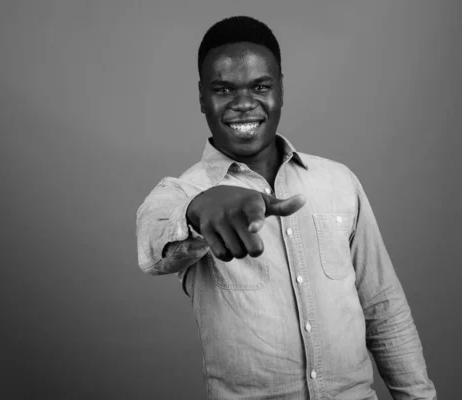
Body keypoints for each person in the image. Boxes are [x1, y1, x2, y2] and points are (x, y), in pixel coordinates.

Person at [135, 15, 436, 400]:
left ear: (280, 90)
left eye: (260, 86)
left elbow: (384, 307)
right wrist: (197, 208)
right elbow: (152, 239)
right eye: (224, 89)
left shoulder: (339, 181)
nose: (244, 103)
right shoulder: (182, 190)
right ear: (201, 97)